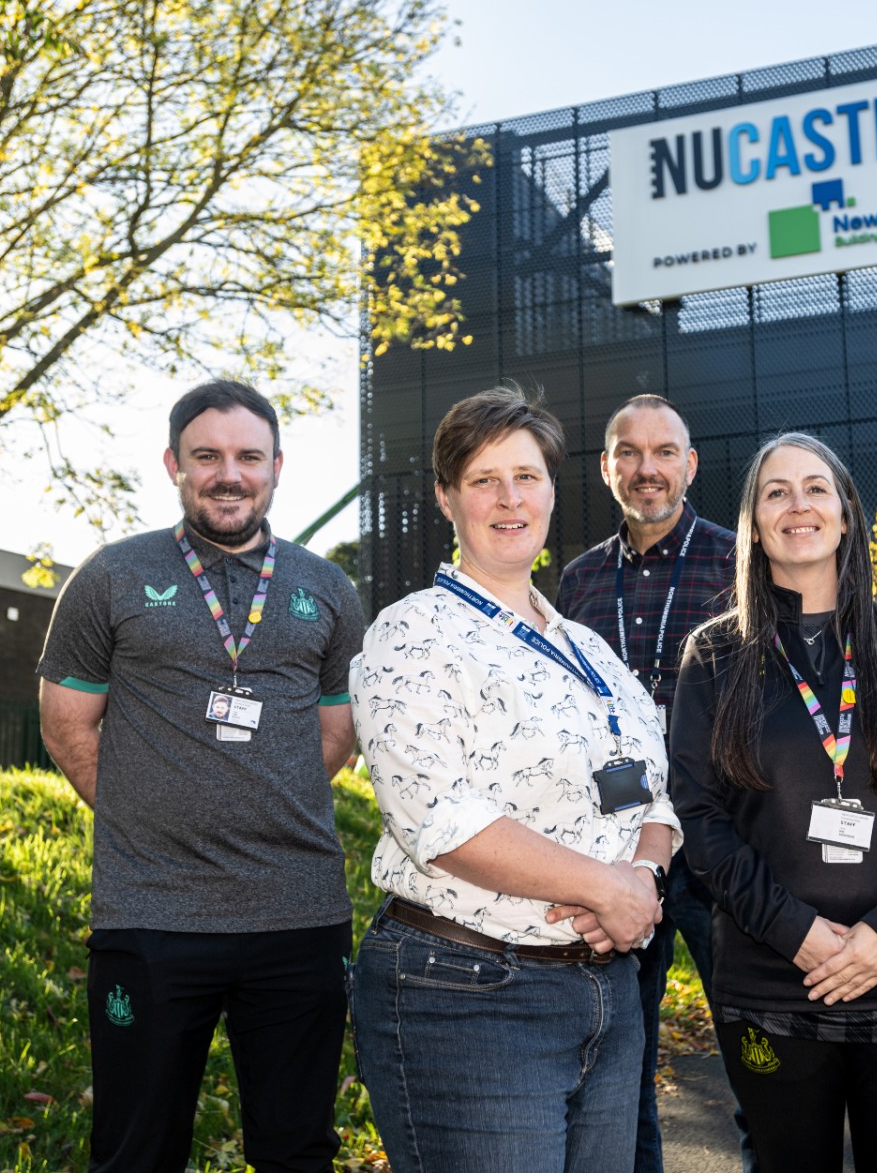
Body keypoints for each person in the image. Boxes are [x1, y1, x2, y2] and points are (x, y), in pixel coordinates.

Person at [37, 379, 367, 1172]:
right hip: (151, 913)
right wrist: (147, 816)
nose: (229, 475)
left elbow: (338, 732)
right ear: (173, 465)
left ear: (277, 467)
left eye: (249, 456)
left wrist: (264, 801)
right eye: (207, 456)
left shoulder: (328, 588)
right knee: (136, 1152)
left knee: (297, 1151)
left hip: (298, 916)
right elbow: (66, 724)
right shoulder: (111, 575)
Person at [348, 384, 678, 1173]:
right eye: (484, 479)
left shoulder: (590, 650)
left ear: (552, 491)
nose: (509, 498)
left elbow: (655, 797)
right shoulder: (412, 633)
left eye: (526, 476)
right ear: (446, 498)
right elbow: (440, 820)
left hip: (606, 994)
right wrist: (607, 890)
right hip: (469, 995)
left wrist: (641, 881)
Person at [669, 432, 877, 1173]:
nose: (798, 505)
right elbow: (699, 816)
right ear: (753, 525)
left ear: (846, 514)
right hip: (775, 977)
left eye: (816, 488)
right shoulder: (714, 654)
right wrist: (795, 932)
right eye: (775, 492)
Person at [555, 393, 745, 1173]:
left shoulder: (740, 563)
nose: (647, 469)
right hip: (617, 851)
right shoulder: (576, 583)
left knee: (757, 1052)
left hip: (723, 846)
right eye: (628, 453)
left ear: (689, 465)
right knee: (617, 1068)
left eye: (664, 451)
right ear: (606, 468)